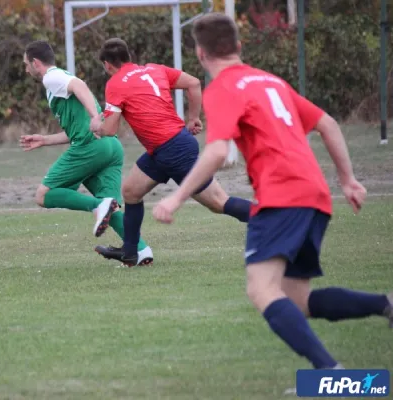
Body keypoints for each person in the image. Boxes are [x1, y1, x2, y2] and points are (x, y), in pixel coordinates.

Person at [153, 13, 392, 371]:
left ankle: (331, 375)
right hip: (315, 196)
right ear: (238, 45)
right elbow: (327, 123)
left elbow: (217, 151)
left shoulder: (223, 88)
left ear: (201, 54)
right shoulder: (270, 81)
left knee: (262, 289)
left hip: (283, 197)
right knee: (297, 301)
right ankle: (385, 304)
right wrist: (348, 180)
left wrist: (176, 196)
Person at [90, 38, 251, 267]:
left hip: (173, 149)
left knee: (218, 202)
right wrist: (193, 118)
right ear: (128, 57)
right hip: (166, 147)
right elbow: (194, 83)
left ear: (107, 65)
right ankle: (130, 252)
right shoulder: (154, 69)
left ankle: (274, 220)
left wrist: (96, 125)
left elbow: (110, 129)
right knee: (131, 191)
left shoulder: (115, 83)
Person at [20, 40, 152, 265]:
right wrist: (45, 140)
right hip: (110, 146)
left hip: (91, 145)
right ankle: (140, 250)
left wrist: (94, 116)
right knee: (111, 206)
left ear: (35, 63)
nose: (25, 70)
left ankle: (97, 206)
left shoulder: (51, 77)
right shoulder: (57, 80)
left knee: (43, 195)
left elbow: (78, 86)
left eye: (26, 64)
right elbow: (73, 130)